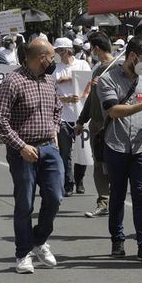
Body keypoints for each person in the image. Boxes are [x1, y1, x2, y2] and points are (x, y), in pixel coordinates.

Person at [0, 37, 63, 274]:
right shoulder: (13, 81)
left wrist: (55, 129)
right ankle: (23, 253)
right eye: (52, 57)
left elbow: (57, 108)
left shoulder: (50, 80)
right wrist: (21, 146)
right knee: (25, 203)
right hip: (23, 152)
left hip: (49, 148)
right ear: (41, 58)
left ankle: (39, 240)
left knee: (55, 197)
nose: (54, 61)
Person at [97, 36, 142, 262]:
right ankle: (117, 240)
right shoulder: (107, 79)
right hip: (115, 145)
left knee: (140, 195)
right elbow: (113, 111)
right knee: (117, 194)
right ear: (133, 56)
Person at [77, 33, 118, 218]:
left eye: (92, 48)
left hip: (114, 123)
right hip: (96, 124)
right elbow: (91, 100)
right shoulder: (96, 69)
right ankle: (103, 201)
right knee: (99, 163)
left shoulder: (118, 67)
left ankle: (116, 200)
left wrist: (105, 85)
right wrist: (81, 120)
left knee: (114, 164)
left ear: (97, 49)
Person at [51, 37, 92, 194]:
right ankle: (68, 183)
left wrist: (71, 79)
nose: (57, 53)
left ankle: (79, 179)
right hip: (63, 116)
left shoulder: (82, 64)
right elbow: (50, 94)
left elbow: (89, 85)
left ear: (67, 50)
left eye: (59, 50)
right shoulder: (55, 69)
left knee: (83, 150)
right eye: (56, 51)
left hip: (81, 115)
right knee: (65, 152)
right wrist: (65, 99)